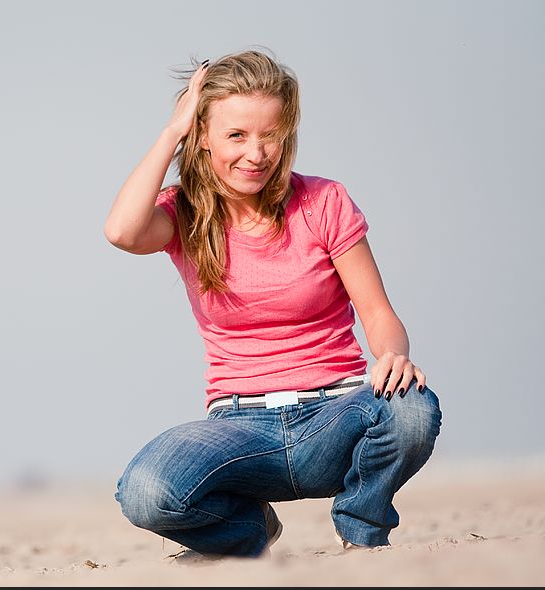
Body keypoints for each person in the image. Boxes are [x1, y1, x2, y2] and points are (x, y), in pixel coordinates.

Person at [103, 49, 443, 559]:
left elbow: (377, 312)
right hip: (239, 426)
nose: (256, 153)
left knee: (414, 409)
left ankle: (362, 528)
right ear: (202, 136)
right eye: (236, 135)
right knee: (146, 493)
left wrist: (392, 355)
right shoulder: (183, 213)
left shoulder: (324, 201)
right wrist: (173, 130)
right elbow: (122, 231)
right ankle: (247, 531)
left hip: (336, 411)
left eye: (271, 135)